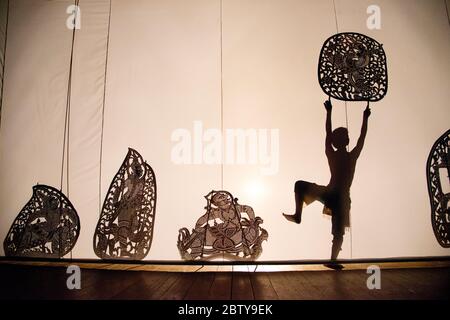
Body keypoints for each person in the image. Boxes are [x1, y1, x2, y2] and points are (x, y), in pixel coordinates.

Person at [283, 98, 371, 264]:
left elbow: (360, 137)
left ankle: (332, 259)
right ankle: (298, 215)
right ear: (340, 141)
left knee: (338, 233)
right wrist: (330, 113)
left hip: (337, 197)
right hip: (333, 194)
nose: (346, 137)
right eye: (343, 136)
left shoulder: (349, 156)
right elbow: (334, 134)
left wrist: (364, 118)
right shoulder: (346, 156)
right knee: (300, 185)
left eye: (345, 135)